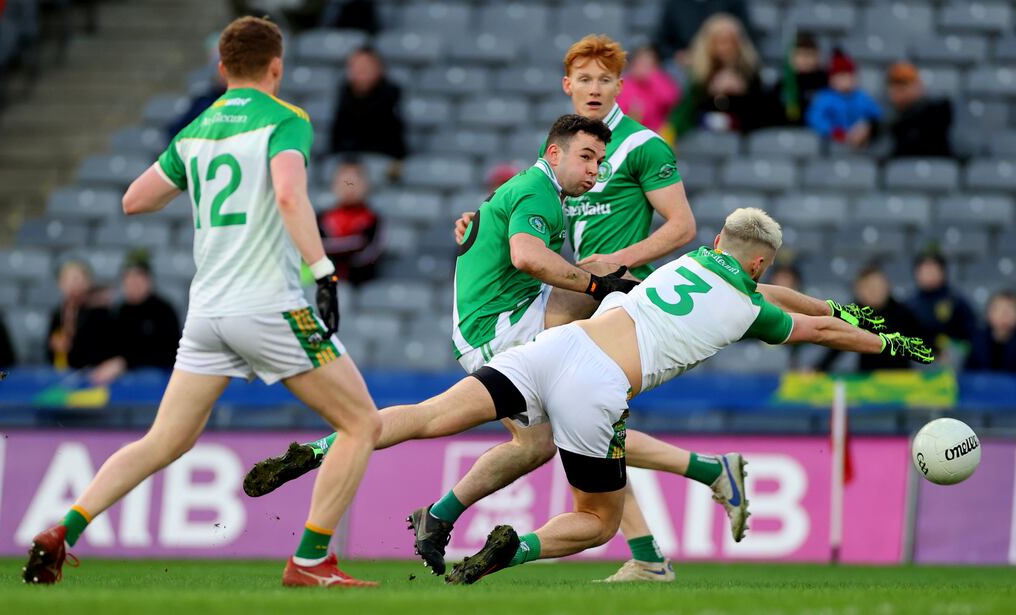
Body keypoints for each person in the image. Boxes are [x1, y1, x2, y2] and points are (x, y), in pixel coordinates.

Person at [243, 35, 717, 584]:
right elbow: (528, 254)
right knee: (593, 375)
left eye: (603, 81)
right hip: (507, 326)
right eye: (588, 158)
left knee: (528, 440)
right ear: (564, 109)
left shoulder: (549, 180)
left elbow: (530, 235)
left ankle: (418, 503)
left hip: (497, 320)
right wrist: (599, 277)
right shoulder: (545, 187)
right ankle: (667, 523)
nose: (595, 169)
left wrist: (485, 222)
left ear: (618, 86)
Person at [283, 208, 933, 586]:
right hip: (598, 389)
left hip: (552, 349)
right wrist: (893, 342)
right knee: (596, 517)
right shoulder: (747, 309)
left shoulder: (688, 265)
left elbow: (785, 299)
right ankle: (520, 547)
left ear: (720, 245)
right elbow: (811, 325)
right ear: (760, 264)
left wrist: (828, 305)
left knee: (431, 416)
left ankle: (349, 431)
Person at [22, 16, 382, 589]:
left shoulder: (196, 132)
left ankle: (64, 528)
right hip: (270, 306)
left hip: (208, 316)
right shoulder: (286, 120)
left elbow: (133, 200)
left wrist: (199, 179)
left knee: (164, 440)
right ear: (276, 67)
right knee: (362, 422)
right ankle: (312, 559)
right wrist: (323, 271)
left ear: (221, 69)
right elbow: (289, 194)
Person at [88, 251, 182, 385]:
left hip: (156, 376)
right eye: (129, 278)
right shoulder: (119, 311)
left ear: (149, 280)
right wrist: (97, 312)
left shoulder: (164, 310)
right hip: (122, 377)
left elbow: (166, 352)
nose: (133, 282)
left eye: (139, 277)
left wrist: (124, 362)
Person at [668, 13, 766, 138]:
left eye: (731, 41)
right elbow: (687, 113)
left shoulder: (749, 70)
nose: (726, 47)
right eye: (721, 41)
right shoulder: (698, 74)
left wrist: (740, 92)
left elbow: (760, 113)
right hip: (703, 138)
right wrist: (711, 91)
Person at [817, 265, 924, 372]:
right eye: (868, 288)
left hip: (900, 376)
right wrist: (817, 369)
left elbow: (924, 342)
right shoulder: (854, 314)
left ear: (887, 287)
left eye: (878, 287)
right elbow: (837, 343)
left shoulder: (903, 313)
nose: (874, 292)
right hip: (867, 377)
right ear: (858, 291)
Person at [330, 46, 406, 165]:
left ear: (379, 69)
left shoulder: (392, 94)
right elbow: (336, 138)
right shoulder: (343, 94)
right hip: (347, 160)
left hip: (382, 158)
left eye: (365, 67)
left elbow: (392, 140)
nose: (360, 71)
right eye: (355, 66)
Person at [317, 159, 382, 285]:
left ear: (366, 185)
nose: (349, 187)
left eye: (354, 182)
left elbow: (368, 255)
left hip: (361, 285)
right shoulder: (321, 218)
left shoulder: (374, 219)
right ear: (334, 185)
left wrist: (329, 251)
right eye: (344, 182)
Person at [907, 251, 976, 363]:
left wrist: (954, 347)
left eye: (932, 269)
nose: (928, 273)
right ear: (916, 273)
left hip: (950, 358)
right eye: (924, 270)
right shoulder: (909, 304)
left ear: (943, 272)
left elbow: (970, 333)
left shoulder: (956, 301)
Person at [45, 260, 115, 370]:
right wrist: (55, 346)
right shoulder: (58, 313)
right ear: (61, 283)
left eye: (78, 278)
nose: (74, 283)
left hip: (94, 374)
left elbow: (106, 350)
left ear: (88, 282)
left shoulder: (100, 311)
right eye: (69, 279)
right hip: (66, 374)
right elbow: (50, 353)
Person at [806, 49, 881, 150]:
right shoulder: (825, 98)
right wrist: (834, 131)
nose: (846, 80)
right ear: (831, 80)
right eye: (841, 76)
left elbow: (876, 114)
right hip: (833, 143)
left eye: (849, 75)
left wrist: (865, 126)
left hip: (860, 143)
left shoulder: (862, 96)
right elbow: (814, 118)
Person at [652, 0, 756, 67]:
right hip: (686, 65)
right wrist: (677, 55)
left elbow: (746, 36)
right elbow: (661, 42)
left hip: (725, 63)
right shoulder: (674, 5)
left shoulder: (732, 3)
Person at [885, 61, 952, 158]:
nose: (900, 92)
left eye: (904, 86)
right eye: (895, 87)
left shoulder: (937, 110)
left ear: (919, 86)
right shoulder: (888, 116)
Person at [616, 45, 681, 132]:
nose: (643, 67)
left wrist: (653, 75)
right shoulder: (625, 83)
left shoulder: (658, 81)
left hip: (655, 132)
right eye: (641, 62)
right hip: (629, 131)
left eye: (649, 64)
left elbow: (670, 98)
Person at [772, 31, 828, 126]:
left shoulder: (825, 82)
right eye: (799, 54)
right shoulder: (783, 83)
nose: (804, 60)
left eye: (809, 55)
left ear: (817, 58)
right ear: (791, 57)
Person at [966, 291, 1016, 373]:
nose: (1004, 314)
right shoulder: (976, 340)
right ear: (988, 313)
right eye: (998, 309)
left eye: (1010, 310)